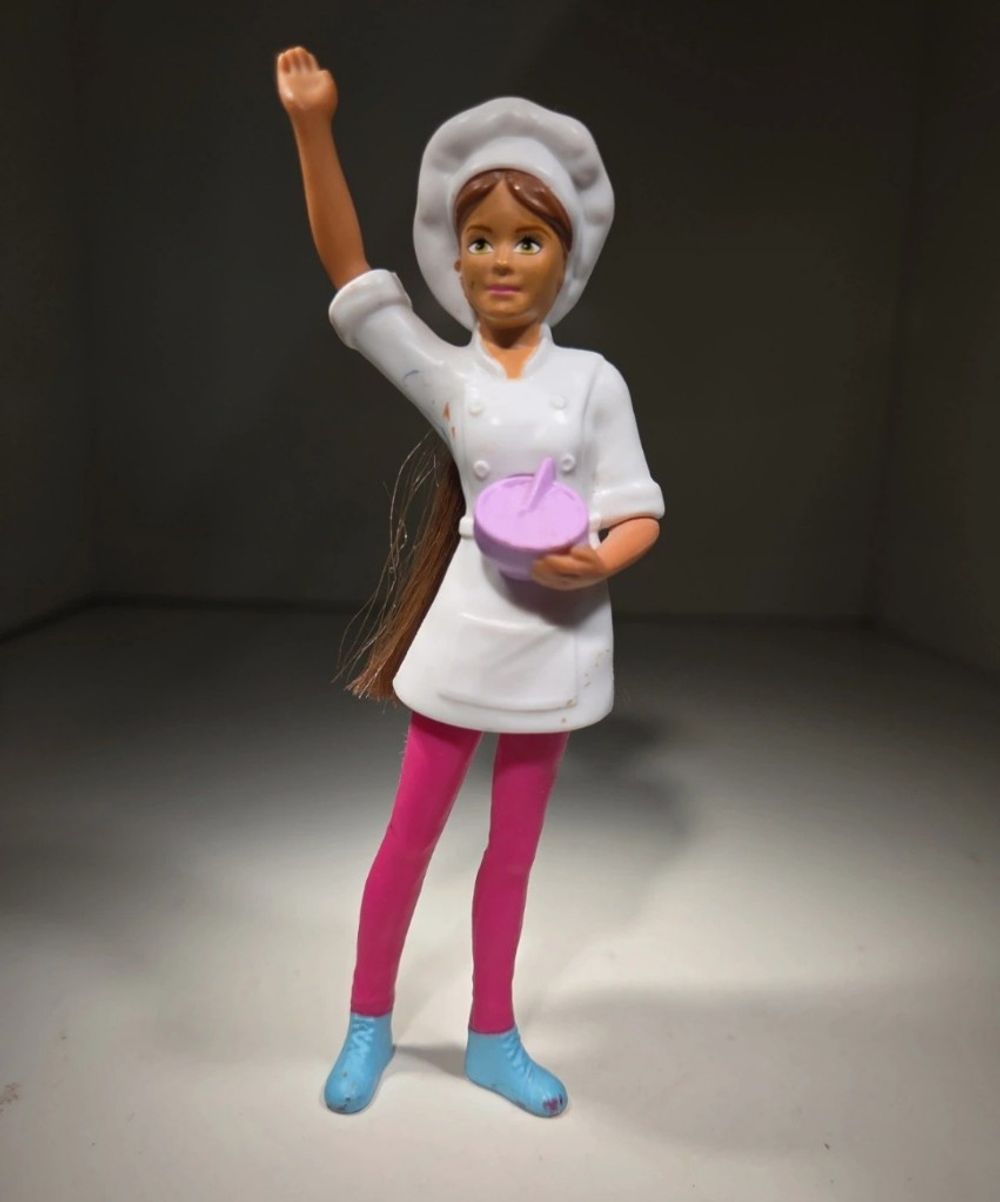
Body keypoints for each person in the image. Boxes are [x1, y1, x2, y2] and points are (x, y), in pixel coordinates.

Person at [276, 46, 664, 1117]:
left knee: (513, 853)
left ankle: (493, 1032)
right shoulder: (445, 373)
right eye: (481, 239)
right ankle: (367, 1020)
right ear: (455, 258)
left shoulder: (592, 383)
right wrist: (312, 127)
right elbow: (351, 273)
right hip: (467, 625)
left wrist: (601, 559)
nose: (501, 260)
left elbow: (638, 504)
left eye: (527, 240)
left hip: (556, 635)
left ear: (564, 259)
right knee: (409, 837)